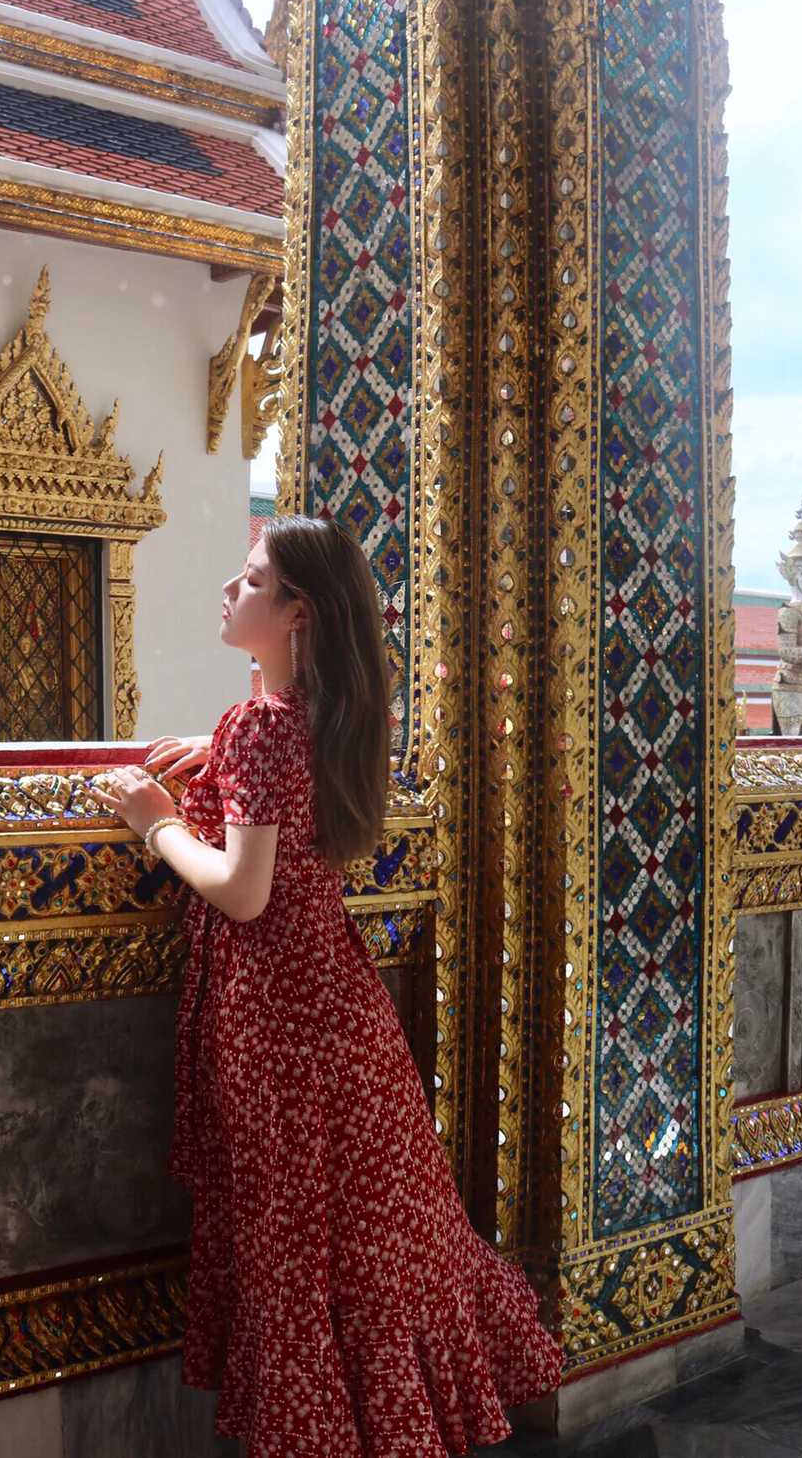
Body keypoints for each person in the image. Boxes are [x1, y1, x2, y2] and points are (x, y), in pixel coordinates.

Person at [93, 514, 561, 1456]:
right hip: (338, 1012)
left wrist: (153, 821)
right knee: (366, 1246)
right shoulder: (328, 714)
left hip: (277, 1018)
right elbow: (279, 789)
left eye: (253, 579)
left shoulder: (269, 723)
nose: (232, 589)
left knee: (297, 1252)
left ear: (297, 613)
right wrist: (218, 751)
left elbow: (243, 891)